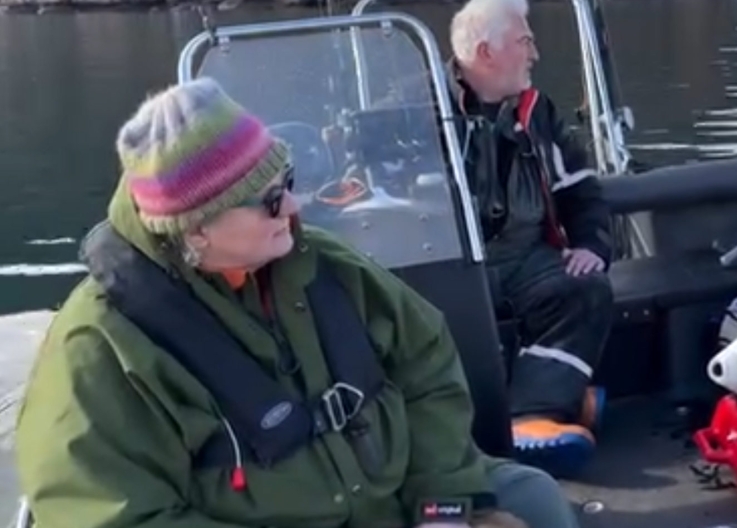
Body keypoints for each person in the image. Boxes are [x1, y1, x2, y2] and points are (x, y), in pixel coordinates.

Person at [15, 79, 581, 528]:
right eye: (267, 199)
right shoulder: (98, 349)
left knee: (534, 499)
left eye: (286, 177)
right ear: (196, 231)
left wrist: (444, 507)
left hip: (393, 502)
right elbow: (110, 515)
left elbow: (425, 363)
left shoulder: (319, 262)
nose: (294, 201)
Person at [447, 0, 615, 478]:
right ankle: (467, 434)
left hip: (523, 259)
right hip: (453, 266)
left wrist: (590, 244)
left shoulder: (538, 112)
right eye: (526, 41)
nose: (536, 54)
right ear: (485, 53)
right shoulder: (412, 111)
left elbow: (580, 188)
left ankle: (532, 416)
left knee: (585, 291)